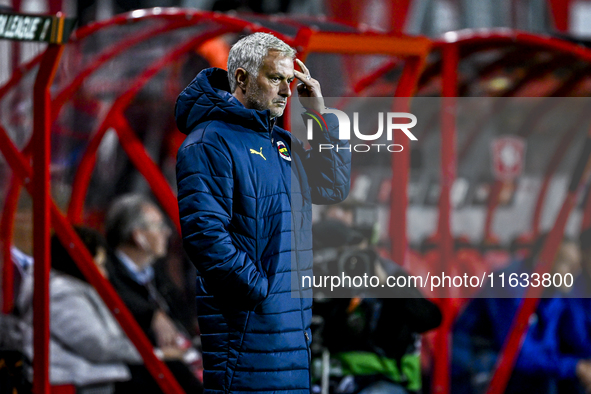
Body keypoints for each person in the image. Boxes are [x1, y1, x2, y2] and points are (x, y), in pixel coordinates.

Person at [175, 32, 351, 393]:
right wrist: (261, 292)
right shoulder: (209, 140)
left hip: (291, 338)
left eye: (289, 81)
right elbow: (206, 236)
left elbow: (333, 185)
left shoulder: (281, 143)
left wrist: (318, 113)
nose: (286, 91)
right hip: (247, 339)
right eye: (275, 79)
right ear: (241, 78)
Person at [20, 227, 142, 394]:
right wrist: (151, 352)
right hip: (77, 384)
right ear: (77, 263)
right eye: (98, 265)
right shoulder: (61, 293)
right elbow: (98, 345)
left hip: (86, 379)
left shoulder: (64, 288)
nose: (104, 274)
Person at [104, 194, 203, 393]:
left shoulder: (156, 271)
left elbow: (184, 315)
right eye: (158, 226)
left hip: (184, 353)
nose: (167, 232)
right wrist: (151, 314)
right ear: (138, 236)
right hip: (145, 369)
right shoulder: (107, 273)